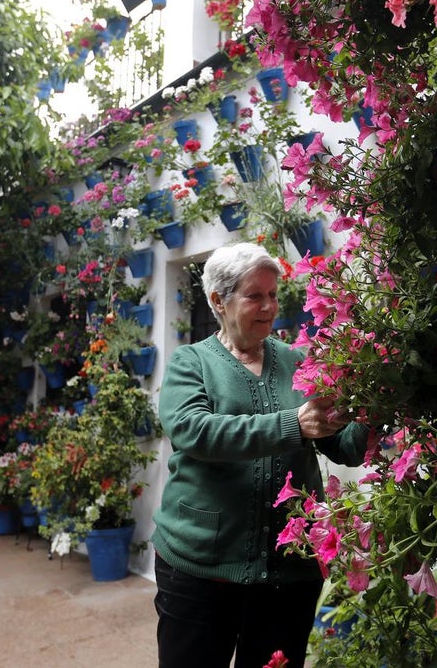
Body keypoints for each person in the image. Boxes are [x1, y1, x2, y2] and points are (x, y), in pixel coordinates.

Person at [152, 242, 368, 668]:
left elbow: (344, 448)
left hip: (287, 573)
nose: (269, 306)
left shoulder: (300, 362)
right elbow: (195, 431)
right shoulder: (190, 363)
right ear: (219, 301)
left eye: (273, 294)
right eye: (255, 295)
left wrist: (367, 404)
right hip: (200, 568)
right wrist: (293, 425)